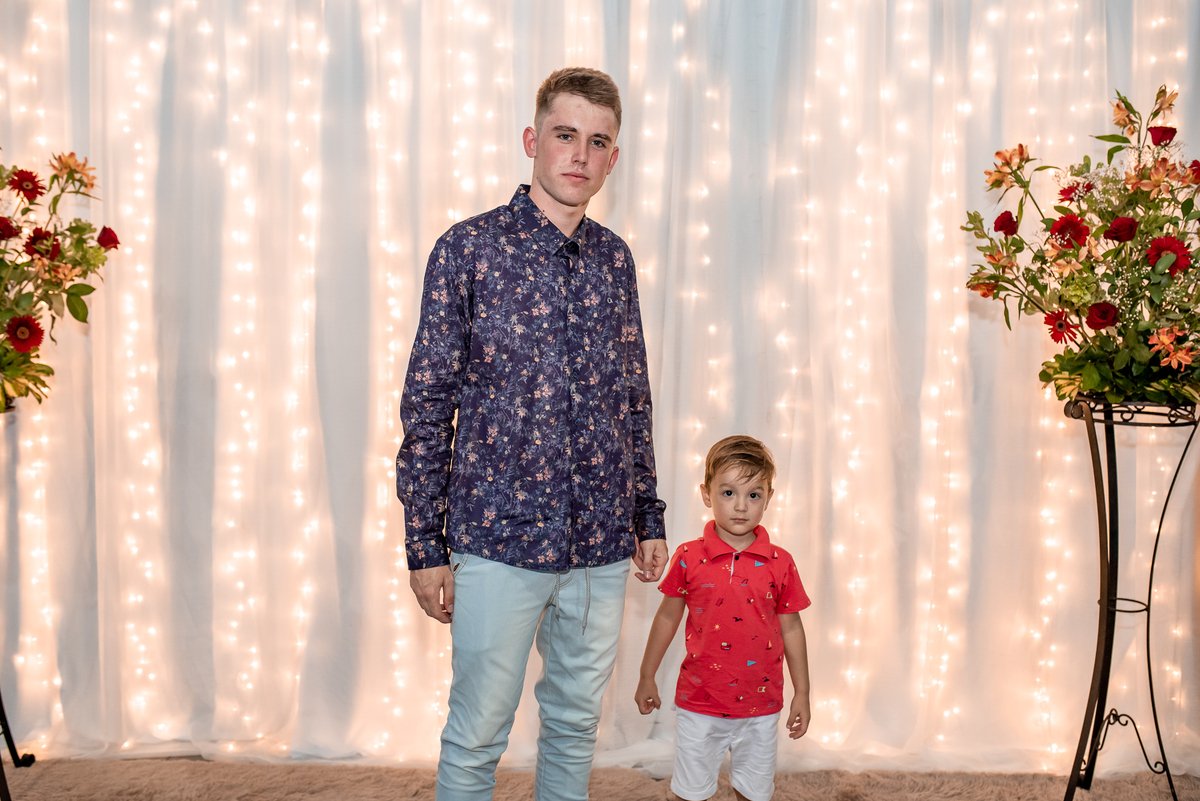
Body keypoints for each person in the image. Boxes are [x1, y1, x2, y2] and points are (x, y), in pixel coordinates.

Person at [396, 66, 668, 801]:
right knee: (477, 734)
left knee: (576, 725)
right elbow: (428, 406)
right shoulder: (468, 250)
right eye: (564, 134)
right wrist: (425, 544)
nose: (580, 154)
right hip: (496, 539)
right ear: (532, 140)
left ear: (614, 158)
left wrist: (646, 514)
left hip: (600, 542)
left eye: (598, 141)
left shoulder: (615, 260)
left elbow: (632, 396)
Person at [634, 435, 811, 801]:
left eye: (754, 495)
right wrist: (646, 675)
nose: (741, 506)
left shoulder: (781, 562)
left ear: (769, 497)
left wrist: (803, 693)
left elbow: (792, 628)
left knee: (755, 793)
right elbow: (666, 618)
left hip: (761, 705)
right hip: (701, 702)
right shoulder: (688, 556)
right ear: (706, 494)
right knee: (691, 792)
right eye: (728, 493)